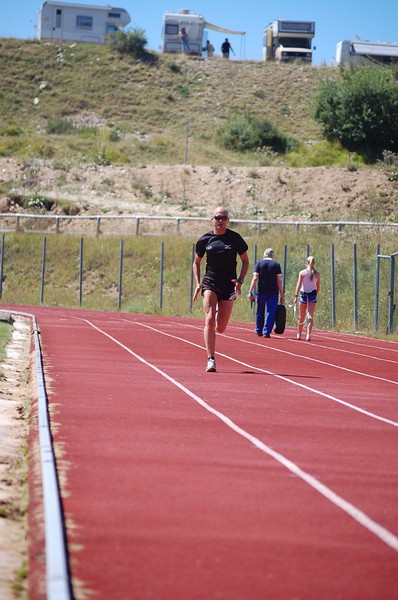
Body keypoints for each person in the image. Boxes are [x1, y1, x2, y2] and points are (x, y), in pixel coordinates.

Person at [193, 207, 249, 372]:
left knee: (221, 328)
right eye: (218, 217)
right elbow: (196, 263)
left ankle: (218, 314)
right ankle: (211, 359)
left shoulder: (235, 238)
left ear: (228, 220)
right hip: (210, 282)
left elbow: (245, 261)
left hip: (229, 284)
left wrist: (240, 280)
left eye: (224, 218)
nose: (220, 220)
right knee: (209, 319)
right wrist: (198, 283)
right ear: (212, 219)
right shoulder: (205, 239)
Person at [247, 248, 284, 338]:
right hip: (273, 291)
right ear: (272, 255)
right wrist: (282, 294)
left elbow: (255, 278)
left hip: (262, 291)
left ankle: (259, 329)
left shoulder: (259, 264)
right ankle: (267, 332)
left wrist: (250, 291)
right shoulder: (276, 265)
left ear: (264, 254)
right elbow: (278, 280)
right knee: (271, 312)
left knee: (260, 310)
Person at [293, 256, 321, 341]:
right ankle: (308, 335)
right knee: (310, 315)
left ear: (307, 263)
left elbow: (298, 285)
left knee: (301, 316)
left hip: (303, 295)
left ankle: (299, 333)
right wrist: (316, 294)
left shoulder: (302, 273)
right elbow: (318, 286)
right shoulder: (317, 274)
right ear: (314, 263)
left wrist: (296, 296)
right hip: (312, 295)